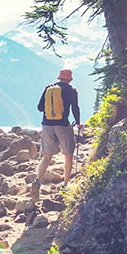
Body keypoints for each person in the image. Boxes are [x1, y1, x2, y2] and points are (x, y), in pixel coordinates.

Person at [32, 68, 82, 201]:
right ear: (70, 79)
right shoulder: (71, 90)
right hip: (63, 126)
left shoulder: (49, 88)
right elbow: (75, 107)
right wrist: (78, 123)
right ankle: (65, 185)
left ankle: (37, 181)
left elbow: (40, 108)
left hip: (47, 125)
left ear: (59, 77)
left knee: (47, 157)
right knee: (68, 155)